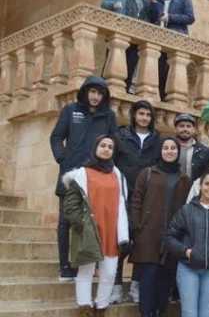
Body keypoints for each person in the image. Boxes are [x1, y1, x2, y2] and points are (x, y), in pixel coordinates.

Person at [50, 76, 117, 281]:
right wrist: (63, 158)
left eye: (100, 93)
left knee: (94, 221)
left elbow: (113, 143)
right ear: (85, 92)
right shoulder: (71, 111)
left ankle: (90, 265)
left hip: (96, 176)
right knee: (65, 221)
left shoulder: (109, 116)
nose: (95, 97)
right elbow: (56, 137)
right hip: (70, 175)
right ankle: (65, 267)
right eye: (92, 92)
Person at [61, 136, 129, 317]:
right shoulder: (82, 173)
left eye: (110, 147)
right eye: (102, 146)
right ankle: (84, 309)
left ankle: (101, 309)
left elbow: (123, 205)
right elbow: (70, 205)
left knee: (109, 273)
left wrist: (124, 234)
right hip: (89, 230)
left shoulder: (118, 175)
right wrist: (81, 224)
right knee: (86, 272)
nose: (106, 149)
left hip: (111, 231)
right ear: (95, 148)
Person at [130, 138, 192, 317]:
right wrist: (137, 227)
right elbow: (136, 200)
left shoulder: (184, 179)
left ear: (178, 152)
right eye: (166, 148)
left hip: (173, 238)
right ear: (161, 150)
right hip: (148, 236)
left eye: (173, 148)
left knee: (165, 282)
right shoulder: (148, 173)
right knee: (148, 281)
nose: (170, 151)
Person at [166, 171, 209, 317]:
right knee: (189, 313)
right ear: (200, 185)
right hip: (188, 268)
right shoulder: (186, 210)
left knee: (207, 313)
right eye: (207, 184)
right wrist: (186, 252)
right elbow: (170, 237)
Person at [112, 100, 161, 303]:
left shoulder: (157, 140)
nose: (144, 118)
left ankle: (135, 286)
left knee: (141, 243)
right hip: (122, 195)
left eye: (148, 115)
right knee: (120, 243)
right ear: (134, 115)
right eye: (141, 114)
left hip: (145, 199)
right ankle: (115, 287)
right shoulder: (121, 135)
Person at [100, 0, 154, 92]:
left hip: (137, 36)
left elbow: (150, 15)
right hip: (120, 31)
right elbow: (104, 3)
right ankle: (103, 90)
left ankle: (125, 90)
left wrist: (154, 4)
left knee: (131, 64)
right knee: (112, 61)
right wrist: (114, 4)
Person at [150, 0, 195, 100]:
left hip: (176, 38)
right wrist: (152, 5)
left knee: (173, 71)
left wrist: (170, 17)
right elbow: (153, 18)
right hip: (159, 38)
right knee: (160, 71)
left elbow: (190, 18)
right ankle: (162, 98)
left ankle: (169, 99)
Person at [174, 114, 209, 181]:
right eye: (182, 126)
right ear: (175, 129)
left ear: (193, 129)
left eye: (188, 126)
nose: (185, 129)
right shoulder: (168, 147)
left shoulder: (202, 150)